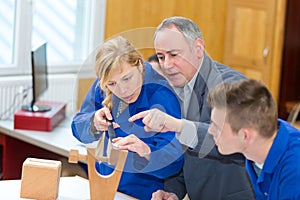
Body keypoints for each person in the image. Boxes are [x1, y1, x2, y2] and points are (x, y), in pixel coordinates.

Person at [129, 16, 255, 199]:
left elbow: (228, 137)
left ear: (198, 48)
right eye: (161, 57)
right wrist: (173, 191)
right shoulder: (176, 87)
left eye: (174, 55)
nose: (166, 65)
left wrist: (177, 125)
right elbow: (184, 151)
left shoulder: (229, 84)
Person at [71, 36, 184, 200]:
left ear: (138, 63)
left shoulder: (162, 95)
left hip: (142, 192)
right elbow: (78, 128)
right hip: (104, 186)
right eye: (112, 84)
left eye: (127, 79)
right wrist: (93, 122)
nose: (122, 90)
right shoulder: (105, 83)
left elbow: (175, 162)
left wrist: (146, 152)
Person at [207, 79, 300, 199]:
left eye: (217, 127)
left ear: (245, 136)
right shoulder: (256, 149)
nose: (210, 131)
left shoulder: (295, 169)